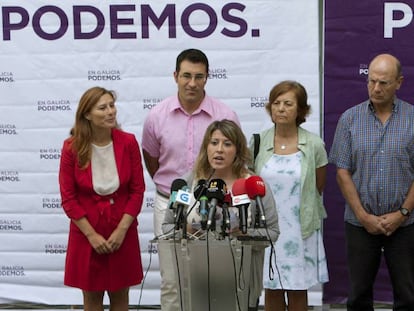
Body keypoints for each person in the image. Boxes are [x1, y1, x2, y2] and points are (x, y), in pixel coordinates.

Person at [141, 48, 240, 310]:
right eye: (186, 76)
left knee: (214, 280)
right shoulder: (156, 116)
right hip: (170, 203)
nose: (192, 83)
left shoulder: (226, 115)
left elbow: (236, 160)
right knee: (172, 281)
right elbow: (152, 161)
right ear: (175, 76)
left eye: (199, 76)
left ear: (207, 77)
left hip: (216, 206)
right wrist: (178, 191)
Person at [162, 119, 280, 311]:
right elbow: (167, 227)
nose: (219, 150)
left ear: (238, 150)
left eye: (227, 144)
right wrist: (188, 229)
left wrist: (243, 234)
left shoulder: (253, 185)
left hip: (243, 281)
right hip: (197, 280)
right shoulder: (187, 183)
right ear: (206, 147)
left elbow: (272, 232)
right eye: (214, 142)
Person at [329, 53, 414, 310]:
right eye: (372, 81)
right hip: (359, 224)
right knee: (358, 295)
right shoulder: (350, 119)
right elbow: (342, 172)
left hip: (405, 224)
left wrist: (402, 213)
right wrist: (363, 215)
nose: (376, 88)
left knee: (408, 295)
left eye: (384, 83)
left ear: (399, 82)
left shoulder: (412, 118)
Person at [59, 86, 145, 311]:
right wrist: (92, 235)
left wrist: (121, 230)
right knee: (92, 300)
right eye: (103, 108)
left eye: (112, 106)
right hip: (87, 233)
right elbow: (68, 199)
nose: (110, 112)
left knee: (120, 298)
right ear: (87, 114)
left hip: (121, 231)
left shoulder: (128, 142)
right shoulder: (71, 148)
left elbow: (137, 191)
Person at [250, 80, 329, 310]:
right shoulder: (257, 142)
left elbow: (318, 186)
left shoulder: (314, 144)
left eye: (288, 103)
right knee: (271, 287)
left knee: (297, 290)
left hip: (299, 230)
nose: (281, 109)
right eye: (276, 103)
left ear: (301, 110)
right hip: (267, 229)